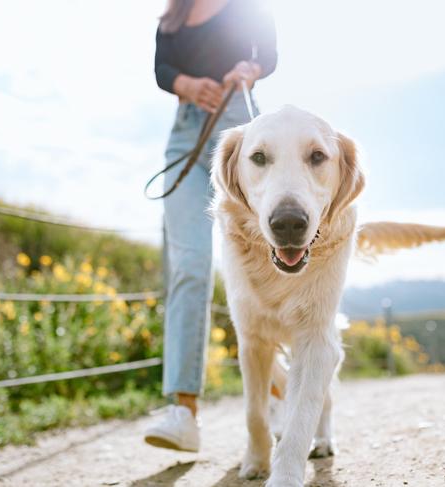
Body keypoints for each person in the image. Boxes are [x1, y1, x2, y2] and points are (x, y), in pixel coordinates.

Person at [144, 0, 277, 452]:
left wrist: (248, 67)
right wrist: (186, 83)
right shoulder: (173, 16)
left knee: (261, 258)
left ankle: (278, 389)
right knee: (190, 263)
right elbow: (162, 68)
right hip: (184, 134)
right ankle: (183, 411)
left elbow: (269, 54)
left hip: (241, 128)